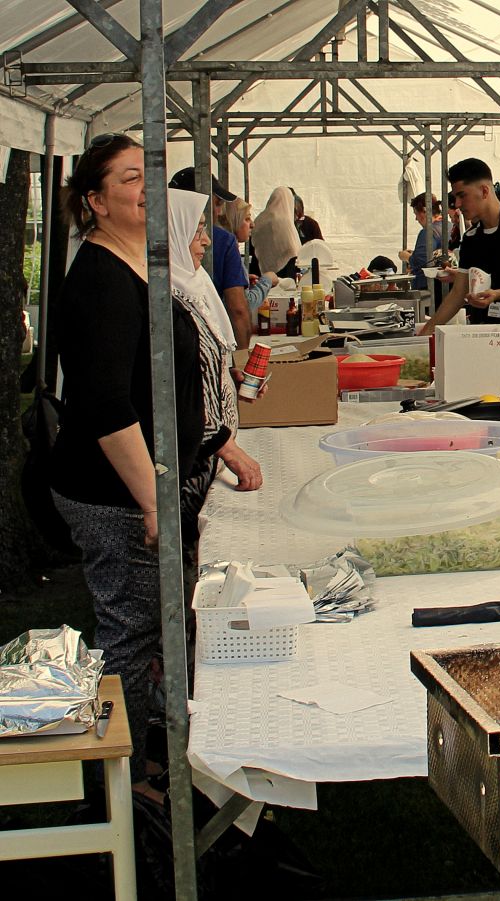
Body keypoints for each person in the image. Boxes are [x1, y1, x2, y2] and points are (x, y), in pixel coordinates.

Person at [49, 135, 204, 804]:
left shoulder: (131, 262)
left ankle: (139, 754)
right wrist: (152, 503)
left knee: (144, 626)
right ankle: (126, 782)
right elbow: (107, 405)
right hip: (113, 494)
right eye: (130, 178)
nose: (147, 187)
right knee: (128, 631)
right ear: (95, 200)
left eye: (152, 176)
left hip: (139, 487)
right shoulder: (101, 279)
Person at [167, 189, 263, 554]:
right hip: (194, 457)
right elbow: (174, 389)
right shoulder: (164, 298)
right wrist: (228, 448)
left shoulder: (193, 283)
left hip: (210, 454)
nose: (206, 240)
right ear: (171, 233)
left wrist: (229, 376)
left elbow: (202, 363)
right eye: (197, 231)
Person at [419, 158, 500, 333]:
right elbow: (457, 293)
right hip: (488, 334)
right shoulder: (471, 238)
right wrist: (426, 332)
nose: (457, 204)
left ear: (485, 191)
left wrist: (498, 294)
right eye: (455, 197)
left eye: (462, 195)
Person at [169, 167, 250, 346]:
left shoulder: (197, 278)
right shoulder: (224, 240)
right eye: (216, 203)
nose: (219, 212)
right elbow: (238, 309)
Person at [219, 197, 278, 324]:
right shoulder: (229, 250)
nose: (252, 224)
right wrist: (267, 280)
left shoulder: (223, 248)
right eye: (246, 219)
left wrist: (242, 281)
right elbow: (245, 304)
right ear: (233, 221)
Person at [250, 186, 301, 281]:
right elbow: (293, 250)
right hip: (286, 272)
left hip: (258, 271)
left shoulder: (259, 220)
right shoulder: (286, 222)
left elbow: (251, 244)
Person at [399, 192, 447, 291]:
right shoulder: (449, 226)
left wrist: (406, 256)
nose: (416, 219)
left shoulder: (428, 232)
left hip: (429, 288)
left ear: (425, 211)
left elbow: (421, 262)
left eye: (416, 214)